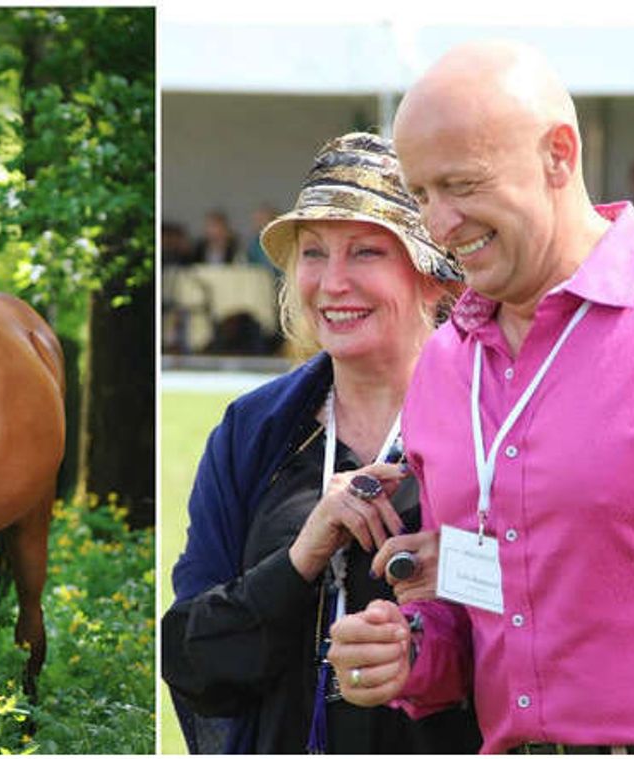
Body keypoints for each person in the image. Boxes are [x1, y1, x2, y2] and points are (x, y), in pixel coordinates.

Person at [328, 40, 634, 755]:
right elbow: (469, 601)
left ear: (559, 155)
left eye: (463, 183)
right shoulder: (446, 363)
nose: (440, 225)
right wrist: (412, 647)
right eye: (420, 194)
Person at [162, 133, 481, 754]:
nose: (333, 282)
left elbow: (552, 612)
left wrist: (453, 583)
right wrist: (298, 560)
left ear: (432, 277)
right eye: (313, 254)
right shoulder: (252, 433)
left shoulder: (493, 427)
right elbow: (191, 656)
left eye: (365, 252)